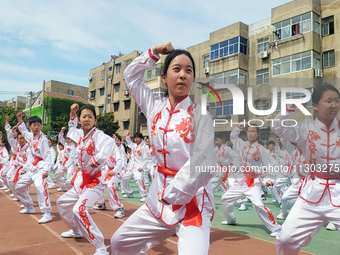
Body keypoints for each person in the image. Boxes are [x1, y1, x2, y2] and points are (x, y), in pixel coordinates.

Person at [110, 42, 216, 255]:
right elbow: (130, 76)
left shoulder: (201, 116)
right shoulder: (153, 106)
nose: (183, 75)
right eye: (176, 69)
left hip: (192, 202)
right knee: (119, 242)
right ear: (164, 77)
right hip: (157, 201)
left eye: (189, 71)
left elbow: (203, 163)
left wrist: (172, 194)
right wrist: (153, 52)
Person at [271, 84, 340, 255]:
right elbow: (277, 128)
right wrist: (290, 108)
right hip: (312, 192)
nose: (334, 105)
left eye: (337, 101)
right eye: (328, 101)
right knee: (286, 239)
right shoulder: (306, 128)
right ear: (315, 105)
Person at [56, 103, 115, 255]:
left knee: (79, 209)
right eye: (84, 117)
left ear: (95, 120)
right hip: (81, 180)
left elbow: (110, 143)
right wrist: (72, 113)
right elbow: (71, 129)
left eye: (90, 117)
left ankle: (101, 247)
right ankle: (76, 230)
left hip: (94, 182)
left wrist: (97, 160)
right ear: (80, 120)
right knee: (61, 203)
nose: (87, 119)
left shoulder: (98, 135)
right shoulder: (78, 134)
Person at [221, 124, 282, 237]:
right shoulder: (241, 144)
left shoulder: (261, 149)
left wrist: (271, 180)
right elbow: (233, 136)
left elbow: (272, 165)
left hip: (253, 182)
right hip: (240, 181)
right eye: (249, 131)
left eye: (253, 131)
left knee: (258, 205)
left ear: (258, 134)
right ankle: (231, 220)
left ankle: (276, 228)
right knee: (225, 199)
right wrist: (240, 126)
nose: (250, 134)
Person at [15, 113, 53, 224]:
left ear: (41, 126)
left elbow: (48, 156)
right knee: (18, 187)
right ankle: (29, 207)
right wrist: (20, 119)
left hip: (40, 168)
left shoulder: (43, 139)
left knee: (40, 187)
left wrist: (46, 170)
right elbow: (23, 131)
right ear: (31, 127)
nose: (36, 127)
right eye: (34, 125)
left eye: (38, 125)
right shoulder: (30, 136)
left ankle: (47, 213)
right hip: (32, 168)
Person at [121, 132, 148, 202]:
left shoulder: (143, 147)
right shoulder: (133, 145)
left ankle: (145, 195)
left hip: (138, 168)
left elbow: (145, 159)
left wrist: (142, 167)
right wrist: (127, 135)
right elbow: (129, 141)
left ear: (141, 138)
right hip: (132, 168)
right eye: (135, 138)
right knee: (124, 178)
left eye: (137, 138)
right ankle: (129, 192)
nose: (136, 139)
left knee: (139, 179)